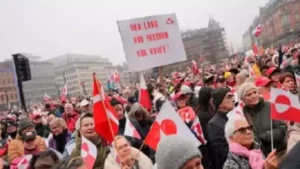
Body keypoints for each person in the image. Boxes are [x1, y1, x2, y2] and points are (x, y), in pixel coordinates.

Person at [238, 82, 287, 156]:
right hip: (258, 156)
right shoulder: (242, 114)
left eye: (255, 92)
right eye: (249, 95)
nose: (253, 96)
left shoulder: (271, 106)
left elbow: (282, 129)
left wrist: (263, 137)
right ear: (243, 99)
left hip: (278, 153)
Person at [207, 88, 235, 169]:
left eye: (232, 96)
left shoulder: (235, 116)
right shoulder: (214, 124)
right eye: (229, 97)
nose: (233, 99)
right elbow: (222, 151)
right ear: (219, 103)